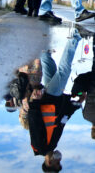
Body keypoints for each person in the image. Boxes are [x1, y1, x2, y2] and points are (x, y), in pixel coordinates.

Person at [26, 30, 82, 172]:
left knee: (63, 71)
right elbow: (63, 119)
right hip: (53, 100)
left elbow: (34, 122)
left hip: (48, 99)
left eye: (58, 163)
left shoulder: (41, 146)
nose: (59, 160)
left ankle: (75, 37)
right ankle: (42, 41)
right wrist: (77, 104)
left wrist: (35, 102)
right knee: (49, 65)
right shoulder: (51, 145)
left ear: (49, 163)